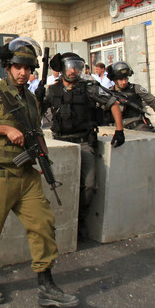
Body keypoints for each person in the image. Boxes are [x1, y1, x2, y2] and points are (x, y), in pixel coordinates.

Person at [0, 37, 78, 308]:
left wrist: (43, 160)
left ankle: (46, 284)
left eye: (28, 68)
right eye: (18, 67)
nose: (23, 73)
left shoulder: (30, 98)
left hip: (27, 176)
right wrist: (5, 129)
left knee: (43, 225)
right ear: (8, 67)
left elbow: (36, 132)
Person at [43, 52, 125, 235]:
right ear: (62, 69)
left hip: (83, 142)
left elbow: (113, 103)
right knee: (58, 185)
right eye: (70, 67)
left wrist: (119, 130)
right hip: (61, 142)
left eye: (77, 67)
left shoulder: (89, 88)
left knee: (89, 185)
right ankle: (60, 222)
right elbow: (36, 109)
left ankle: (80, 218)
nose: (73, 71)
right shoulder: (52, 90)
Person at [106, 61, 155, 133]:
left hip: (137, 126)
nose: (124, 82)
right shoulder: (108, 93)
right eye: (121, 79)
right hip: (117, 128)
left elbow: (154, 101)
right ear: (114, 80)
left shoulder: (136, 88)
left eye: (126, 79)